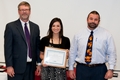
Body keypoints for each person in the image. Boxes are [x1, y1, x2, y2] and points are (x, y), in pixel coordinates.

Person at [68, 10, 116, 80]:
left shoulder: (107, 35)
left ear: (99, 21)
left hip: (99, 70)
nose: (93, 21)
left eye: (96, 19)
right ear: (87, 20)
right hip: (82, 69)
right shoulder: (78, 34)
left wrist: (111, 69)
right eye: (91, 19)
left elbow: (112, 53)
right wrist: (70, 68)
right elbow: (72, 52)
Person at [4, 1, 41, 80]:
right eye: (22, 10)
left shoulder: (35, 27)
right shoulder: (10, 27)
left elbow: (37, 47)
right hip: (15, 68)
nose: (24, 12)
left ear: (30, 11)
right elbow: (8, 48)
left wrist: (39, 63)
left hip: (31, 67)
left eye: (26, 9)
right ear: (18, 11)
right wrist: (9, 66)